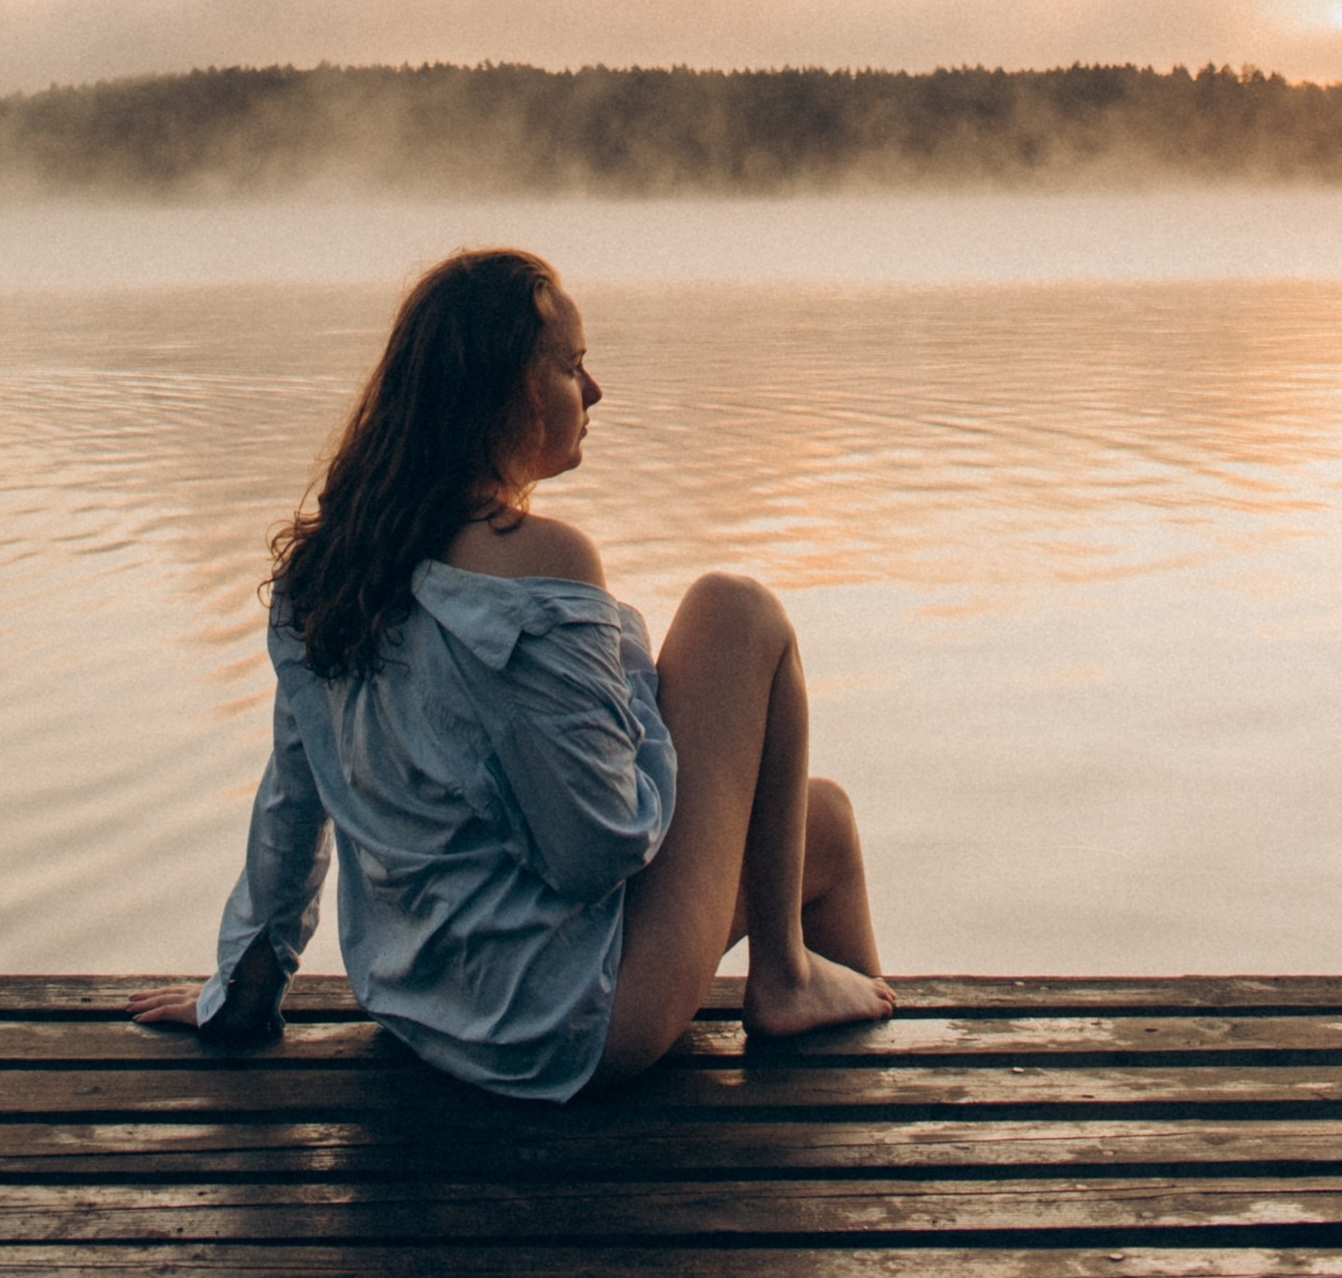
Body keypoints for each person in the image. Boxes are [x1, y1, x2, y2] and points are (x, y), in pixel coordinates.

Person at [129, 244, 892, 1099]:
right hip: (565, 1025)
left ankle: (822, 1029)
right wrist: (634, 676)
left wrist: (242, 989)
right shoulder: (543, 565)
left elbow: (291, 803)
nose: (595, 391)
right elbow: (600, 845)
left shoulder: (329, 573)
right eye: (571, 367)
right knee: (736, 608)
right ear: (503, 394)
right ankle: (790, 986)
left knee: (817, 821)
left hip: (422, 1008)